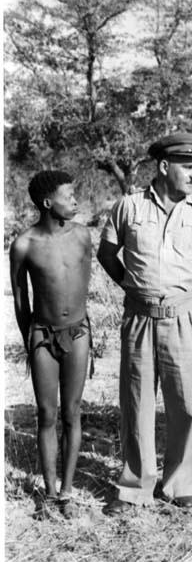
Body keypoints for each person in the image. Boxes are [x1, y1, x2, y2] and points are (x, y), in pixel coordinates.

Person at [97, 133, 192, 515]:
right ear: (164, 167)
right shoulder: (128, 207)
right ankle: (136, 485)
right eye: (189, 167)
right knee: (137, 403)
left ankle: (180, 484)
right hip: (139, 318)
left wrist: (189, 289)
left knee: (186, 403)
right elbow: (107, 252)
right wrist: (129, 285)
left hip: (183, 317)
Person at [10, 171, 92, 519]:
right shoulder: (24, 244)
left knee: (72, 412)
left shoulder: (83, 235)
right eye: (68, 195)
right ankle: (48, 490)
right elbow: (20, 301)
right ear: (47, 203)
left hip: (77, 333)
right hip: (42, 336)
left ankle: (67, 493)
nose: (75, 201)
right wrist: (32, 340)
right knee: (47, 414)